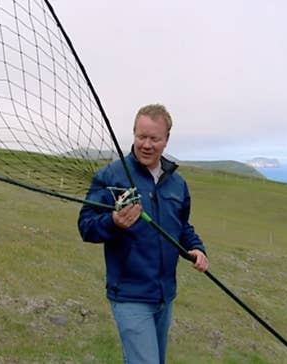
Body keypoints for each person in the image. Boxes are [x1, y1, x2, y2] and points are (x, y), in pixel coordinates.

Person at [78, 103, 209, 364]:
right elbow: (86, 226)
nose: (146, 145)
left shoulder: (177, 183)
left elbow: (182, 225)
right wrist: (114, 222)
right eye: (141, 136)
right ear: (133, 133)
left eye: (154, 138)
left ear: (167, 139)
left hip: (164, 296)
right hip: (129, 295)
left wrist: (196, 248)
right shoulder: (111, 176)